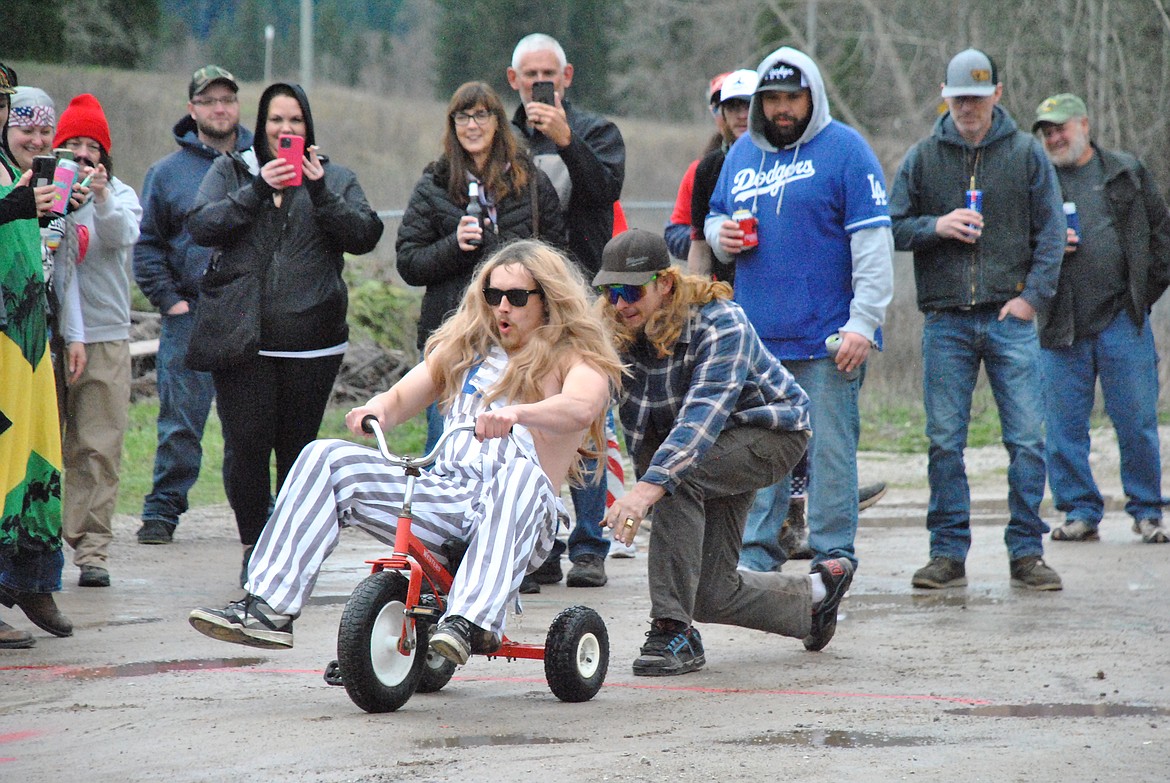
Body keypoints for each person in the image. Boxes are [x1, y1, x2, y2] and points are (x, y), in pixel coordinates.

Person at [189, 240, 622, 663]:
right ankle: (269, 608)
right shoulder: (466, 351)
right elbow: (398, 399)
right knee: (325, 456)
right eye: (493, 294)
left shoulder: (574, 360)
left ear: (547, 300)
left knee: (520, 476)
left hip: (523, 511)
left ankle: (469, 621)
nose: (502, 307)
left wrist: (519, 415)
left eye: (516, 296)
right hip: (450, 495)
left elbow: (581, 405)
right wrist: (373, 409)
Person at [594, 230, 853, 676]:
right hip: (705, 450)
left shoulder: (720, 322)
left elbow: (699, 418)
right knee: (710, 592)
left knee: (676, 477)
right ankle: (815, 597)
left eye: (631, 291)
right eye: (610, 292)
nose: (620, 304)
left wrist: (646, 490)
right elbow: (642, 432)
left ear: (666, 284)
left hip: (772, 433)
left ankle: (671, 629)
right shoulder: (618, 332)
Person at [705, 47, 894, 575]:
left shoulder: (847, 151)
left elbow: (875, 245)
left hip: (831, 342)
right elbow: (715, 219)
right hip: (758, 343)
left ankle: (833, 557)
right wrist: (723, 235)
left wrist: (864, 322)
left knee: (831, 455)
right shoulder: (742, 154)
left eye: (792, 97)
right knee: (764, 454)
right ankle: (757, 557)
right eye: (772, 99)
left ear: (813, 96)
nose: (782, 109)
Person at [187, 83, 384, 587]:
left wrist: (317, 190)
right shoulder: (231, 170)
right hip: (243, 340)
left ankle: (286, 549)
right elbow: (202, 225)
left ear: (308, 127)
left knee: (297, 453)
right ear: (261, 124)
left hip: (313, 343)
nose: (286, 130)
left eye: (295, 120)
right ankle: (256, 541)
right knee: (246, 446)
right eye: (276, 120)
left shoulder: (334, 177)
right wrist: (257, 189)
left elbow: (365, 234)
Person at [888, 49, 1066, 590]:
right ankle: (947, 554)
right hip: (946, 321)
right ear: (945, 97)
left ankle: (1027, 553)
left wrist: (1031, 299)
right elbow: (891, 227)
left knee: (1028, 440)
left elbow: (1053, 233)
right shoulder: (922, 158)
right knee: (944, 441)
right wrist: (936, 226)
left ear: (998, 95)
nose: (968, 107)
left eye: (978, 97)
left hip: (1010, 317)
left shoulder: (1027, 155)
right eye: (959, 97)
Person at [506, 33, 625, 588]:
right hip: (520, 302)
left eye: (547, 74)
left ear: (568, 75)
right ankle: (538, 547)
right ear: (514, 81)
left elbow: (605, 189)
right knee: (526, 421)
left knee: (585, 419)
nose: (538, 84)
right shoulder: (501, 138)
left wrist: (568, 140)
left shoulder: (598, 132)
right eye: (529, 76)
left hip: (582, 299)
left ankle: (589, 546)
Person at [396, 80, 565, 453]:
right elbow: (409, 263)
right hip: (454, 336)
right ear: (452, 125)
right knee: (444, 445)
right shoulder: (433, 185)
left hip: (521, 338)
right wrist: (452, 246)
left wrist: (497, 250)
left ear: (498, 122)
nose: (472, 125)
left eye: (481, 115)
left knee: (517, 444)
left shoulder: (531, 182)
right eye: (462, 116)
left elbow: (556, 257)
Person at [1032, 93, 1170, 545]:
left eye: (1060, 128)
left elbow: (1161, 237)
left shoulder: (1125, 173)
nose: (1054, 137)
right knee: (1063, 428)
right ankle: (1079, 511)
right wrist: (1049, 250)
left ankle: (1148, 511)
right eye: (1047, 132)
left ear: (1084, 125)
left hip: (1121, 319)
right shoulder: (1037, 181)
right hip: (1060, 322)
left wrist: (1140, 296)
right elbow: (1014, 243)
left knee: (1136, 421)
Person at [132, 66, 255, 546]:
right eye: (209, 101)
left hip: (246, 314)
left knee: (247, 425)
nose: (219, 108)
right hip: (191, 313)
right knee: (180, 422)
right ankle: (162, 509)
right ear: (193, 109)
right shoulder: (166, 174)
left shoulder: (260, 163)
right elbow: (147, 246)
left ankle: (259, 511)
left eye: (228, 99)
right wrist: (170, 301)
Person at [56, 93, 142, 589]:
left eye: (93, 147)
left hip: (107, 338)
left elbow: (121, 235)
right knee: (51, 446)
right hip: (54, 336)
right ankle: (43, 542)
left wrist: (102, 195)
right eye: (74, 145)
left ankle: (92, 550)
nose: (84, 155)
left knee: (98, 447)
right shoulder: (48, 195)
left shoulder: (121, 196)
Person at [0, 69, 74, 648]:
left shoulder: (9, 163)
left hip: (28, 331)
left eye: (1, 103)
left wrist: (43, 209)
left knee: (40, 458)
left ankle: (32, 580)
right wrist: (20, 202)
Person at [3, 86, 86, 428]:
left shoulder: (56, 184)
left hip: (42, 328)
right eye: (26, 130)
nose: (37, 141)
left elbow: (63, 271)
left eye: (45, 131)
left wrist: (75, 333)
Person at [688, 68, 758, 283]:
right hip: (728, 291)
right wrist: (698, 302)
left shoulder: (787, 160)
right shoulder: (708, 168)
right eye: (733, 106)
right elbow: (699, 244)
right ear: (722, 114)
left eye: (749, 105)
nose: (742, 115)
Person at [663, 72, 730, 262]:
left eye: (746, 105)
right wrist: (712, 235)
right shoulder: (702, 170)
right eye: (723, 107)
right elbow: (674, 232)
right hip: (717, 283)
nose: (738, 115)